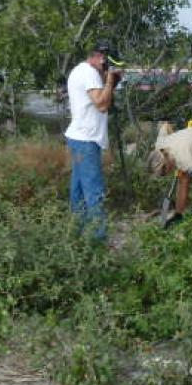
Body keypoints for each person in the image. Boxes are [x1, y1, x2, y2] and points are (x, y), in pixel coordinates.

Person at [64, 44, 122, 241]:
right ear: (99, 58)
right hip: (86, 140)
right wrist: (109, 81)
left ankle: (76, 235)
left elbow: (99, 101)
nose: (106, 65)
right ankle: (99, 242)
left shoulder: (81, 71)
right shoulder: (89, 73)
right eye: (106, 60)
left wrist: (110, 84)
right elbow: (102, 104)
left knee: (78, 191)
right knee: (94, 193)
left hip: (79, 138)